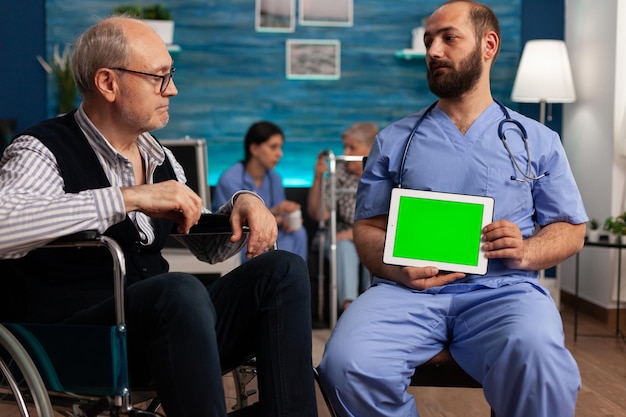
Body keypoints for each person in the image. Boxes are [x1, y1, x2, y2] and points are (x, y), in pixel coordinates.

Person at [0, 16, 317, 417]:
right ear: (108, 83)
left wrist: (241, 205)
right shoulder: (40, 149)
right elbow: (4, 224)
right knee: (178, 290)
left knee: (283, 270)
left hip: (155, 334)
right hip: (72, 343)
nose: (173, 89)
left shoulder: (159, 157)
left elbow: (209, 247)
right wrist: (129, 197)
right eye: (159, 77)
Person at [317, 1, 588, 417]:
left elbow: (570, 228)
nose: (433, 51)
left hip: (504, 292)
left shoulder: (537, 140)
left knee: (541, 361)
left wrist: (527, 250)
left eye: (448, 38)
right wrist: (395, 269)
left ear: (488, 45)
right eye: (429, 41)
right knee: (345, 366)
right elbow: (368, 227)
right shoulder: (394, 140)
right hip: (404, 293)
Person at [307, 122, 378, 312]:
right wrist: (318, 179)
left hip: (372, 232)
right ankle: (349, 308)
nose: (345, 153)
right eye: (345, 147)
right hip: (338, 236)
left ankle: (371, 306)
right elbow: (318, 214)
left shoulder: (383, 174)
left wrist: (354, 234)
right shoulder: (339, 172)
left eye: (352, 148)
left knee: (373, 244)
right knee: (345, 247)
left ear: (371, 148)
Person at [212, 121, 308, 262]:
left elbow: (278, 220)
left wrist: (286, 220)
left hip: (269, 235)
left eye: (280, 148)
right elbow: (230, 224)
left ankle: (297, 281)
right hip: (240, 239)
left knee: (299, 233)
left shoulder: (275, 178)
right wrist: (275, 211)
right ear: (254, 149)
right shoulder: (230, 179)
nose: (279, 154)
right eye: (273, 147)